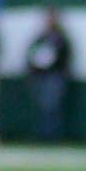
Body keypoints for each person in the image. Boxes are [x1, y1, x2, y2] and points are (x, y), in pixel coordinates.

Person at [22, 10, 74, 143]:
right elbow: (31, 54)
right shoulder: (40, 37)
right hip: (41, 76)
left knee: (53, 107)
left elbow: (66, 56)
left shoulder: (61, 38)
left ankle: (53, 136)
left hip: (55, 76)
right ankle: (42, 135)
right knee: (43, 107)